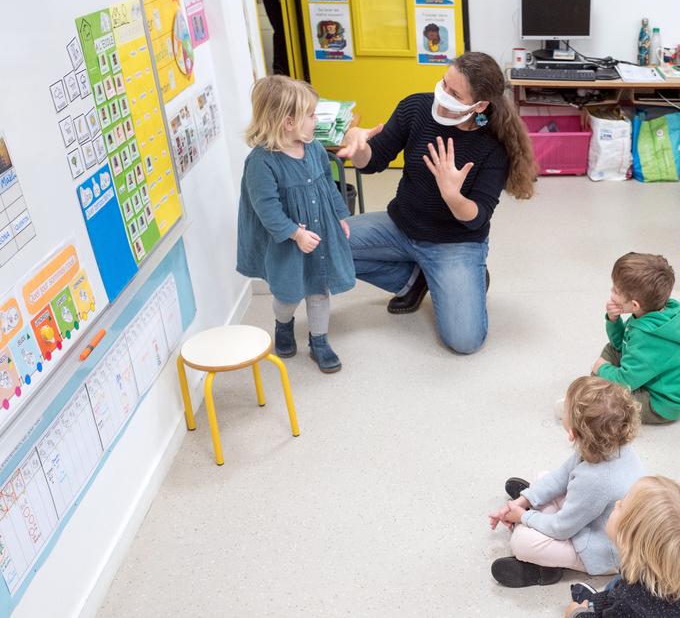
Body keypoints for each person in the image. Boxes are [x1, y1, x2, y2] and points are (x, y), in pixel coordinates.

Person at [336, 52, 537, 354]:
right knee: (327, 244)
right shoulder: (415, 108)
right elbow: (373, 161)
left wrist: (452, 195)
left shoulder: (493, 146)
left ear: (480, 106)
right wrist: (359, 147)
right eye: (444, 84)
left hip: (455, 244)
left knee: (464, 341)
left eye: (455, 94)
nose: (443, 96)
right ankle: (415, 279)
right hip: (400, 225)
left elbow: (477, 218)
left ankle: (468, 275)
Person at [236, 75, 354, 373]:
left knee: (319, 287)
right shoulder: (261, 162)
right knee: (288, 294)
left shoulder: (312, 147)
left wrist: (340, 215)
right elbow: (266, 208)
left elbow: (329, 182)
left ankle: (319, 340)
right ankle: (283, 323)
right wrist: (295, 234)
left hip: (319, 231)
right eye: (312, 115)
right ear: (288, 122)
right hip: (287, 242)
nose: (316, 120)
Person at [488, 376, 644, 588]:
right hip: (593, 515)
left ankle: (546, 568)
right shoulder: (611, 442)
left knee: (522, 543)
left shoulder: (597, 479)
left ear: (572, 434)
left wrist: (524, 516)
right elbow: (564, 474)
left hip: (600, 549)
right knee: (546, 477)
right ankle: (534, 501)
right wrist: (524, 500)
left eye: (566, 410)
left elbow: (562, 528)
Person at [563, 476, 680, 617]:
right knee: (619, 582)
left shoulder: (628, 606)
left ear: (627, 540)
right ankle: (598, 602)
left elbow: (625, 602)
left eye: (622, 506)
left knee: (616, 587)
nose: (617, 502)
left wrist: (577, 614)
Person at [592, 253, 680, 424]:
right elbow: (621, 343)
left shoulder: (647, 337)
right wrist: (613, 320)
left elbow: (625, 381)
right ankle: (600, 385)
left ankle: (588, 408)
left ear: (634, 305)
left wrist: (602, 369)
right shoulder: (657, 311)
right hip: (650, 374)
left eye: (616, 291)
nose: (611, 293)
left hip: (661, 404)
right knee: (611, 349)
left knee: (610, 397)